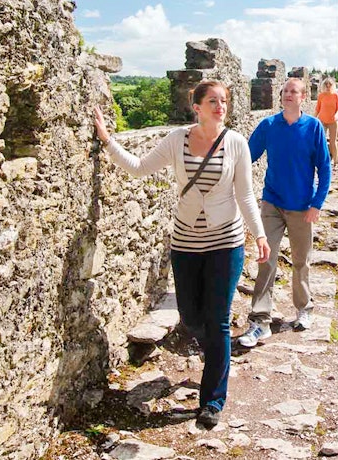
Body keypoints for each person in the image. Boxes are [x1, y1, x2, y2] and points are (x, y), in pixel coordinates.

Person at [92, 80, 269, 430]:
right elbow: (140, 167)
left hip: (225, 242)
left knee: (218, 319)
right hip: (186, 242)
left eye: (224, 102)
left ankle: (212, 400)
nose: (220, 107)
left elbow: (246, 195)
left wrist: (259, 233)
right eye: (213, 101)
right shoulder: (177, 140)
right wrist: (108, 141)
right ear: (197, 106)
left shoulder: (236, 144)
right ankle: (216, 354)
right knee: (191, 317)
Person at [238, 78, 332, 347]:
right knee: (266, 259)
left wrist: (317, 203)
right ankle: (260, 321)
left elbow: (324, 168)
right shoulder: (269, 125)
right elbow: (246, 155)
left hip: (302, 207)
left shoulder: (312, 127)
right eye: (286, 91)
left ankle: (304, 308)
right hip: (272, 204)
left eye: (294, 91)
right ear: (281, 96)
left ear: (303, 97)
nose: (289, 95)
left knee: (301, 260)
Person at [314, 77, 338, 165]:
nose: (328, 87)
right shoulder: (321, 96)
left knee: (333, 142)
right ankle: (323, 161)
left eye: (330, 85)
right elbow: (317, 109)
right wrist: (313, 120)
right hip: (322, 121)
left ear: (332, 86)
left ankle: (336, 162)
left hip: (333, 121)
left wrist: (336, 114)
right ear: (324, 86)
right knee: (321, 141)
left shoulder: (335, 95)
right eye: (326, 85)